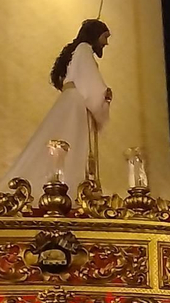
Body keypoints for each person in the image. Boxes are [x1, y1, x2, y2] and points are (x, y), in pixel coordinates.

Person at [7, 19, 112, 192]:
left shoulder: (77, 50)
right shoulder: (84, 49)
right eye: (105, 37)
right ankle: (68, 190)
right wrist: (104, 94)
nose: (106, 42)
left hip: (69, 102)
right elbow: (90, 82)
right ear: (96, 35)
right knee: (70, 146)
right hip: (75, 105)